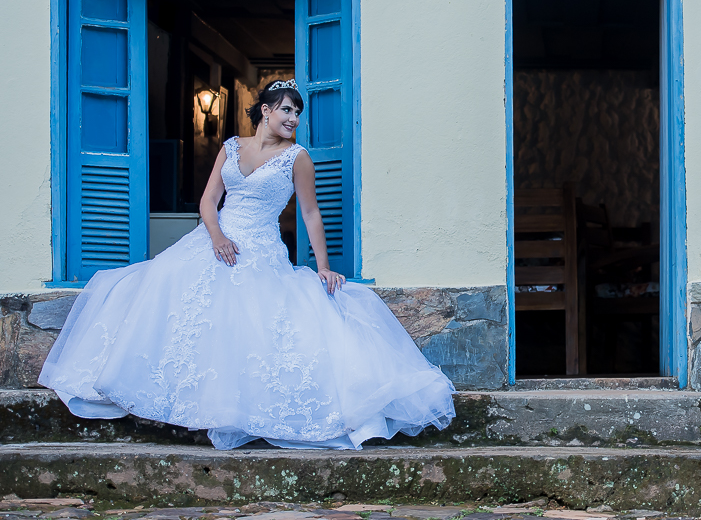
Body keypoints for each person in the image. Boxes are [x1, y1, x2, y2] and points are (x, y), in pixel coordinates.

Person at [39, 80, 456, 449]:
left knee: (250, 317)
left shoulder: (298, 158)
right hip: (214, 239)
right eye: (287, 110)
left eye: (298, 113)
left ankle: (233, 408)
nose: (293, 118)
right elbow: (208, 200)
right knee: (163, 286)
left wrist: (325, 266)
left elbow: (311, 214)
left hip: (260, 247)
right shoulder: (232, 147)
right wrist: (217, 236)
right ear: (266, 111)